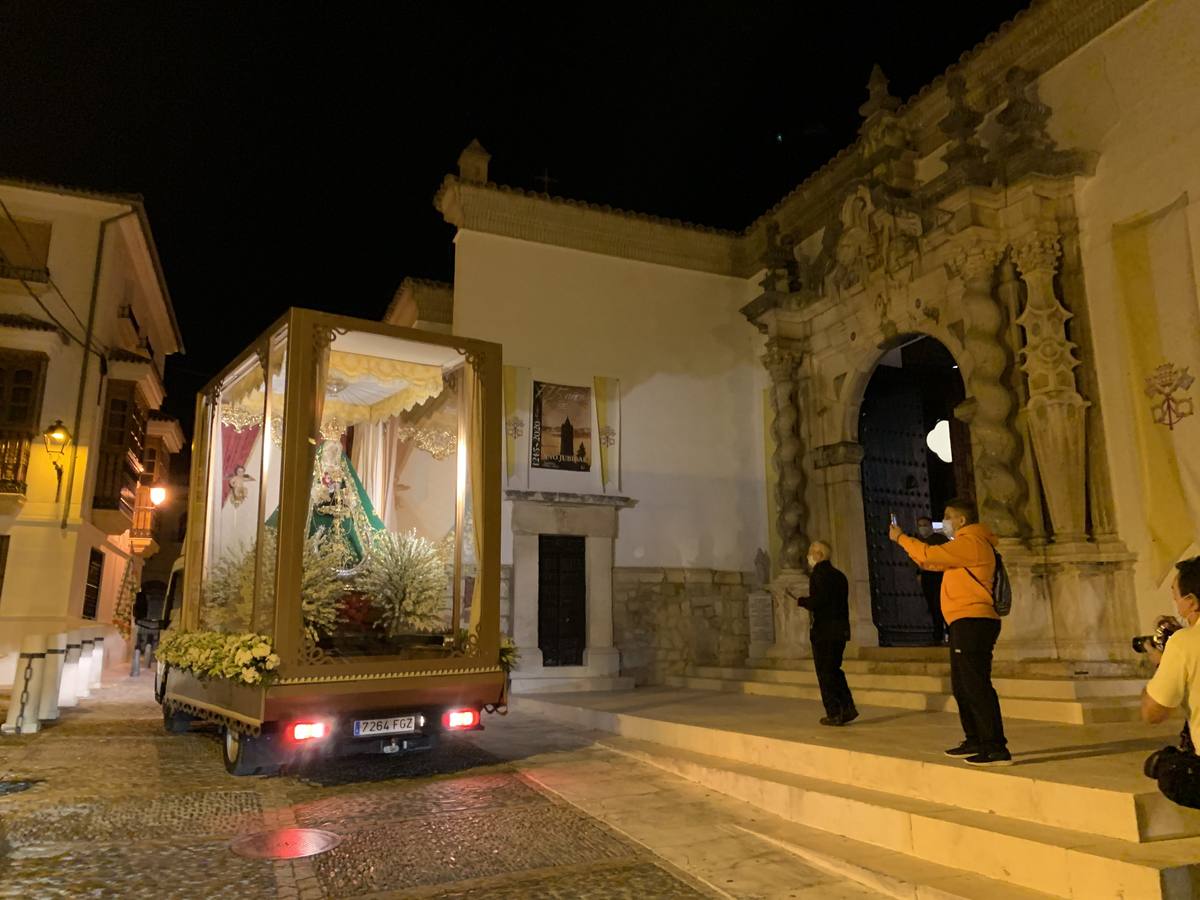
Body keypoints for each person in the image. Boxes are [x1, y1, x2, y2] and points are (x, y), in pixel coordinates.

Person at [890, 498, 1010, 766]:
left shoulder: (972, 543)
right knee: (962, 685)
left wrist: (901, 538)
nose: (943, 521)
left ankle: (995, 746)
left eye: (947, 516)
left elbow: (929, 555)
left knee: (976, 685)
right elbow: (930, 563)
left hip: (974, 620)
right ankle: (975, 739)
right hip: (963, 620)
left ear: (962, 520)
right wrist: (911, 547)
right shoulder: (962, 546)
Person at [1141, 556, 1200, 807]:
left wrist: (1163, 665)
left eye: (1175, 595)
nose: (1175, 604)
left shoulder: (1185, 642)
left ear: (1192, 602)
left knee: (1167, 768)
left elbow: (1153, 713)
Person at [794, 541, 857, 726]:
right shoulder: (839, 576)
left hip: (824, 631)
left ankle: (834, 711)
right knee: (835, 670)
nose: (808, 557)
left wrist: (803, 601)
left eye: (811, 553)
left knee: (825, 672)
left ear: (819, 555)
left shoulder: (818, 575)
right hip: (840, 630)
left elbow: (819, 601)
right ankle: (847, 707)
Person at [915, 516, 949, 643]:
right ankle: (937, 635)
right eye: (920, 525)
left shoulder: (940, 539)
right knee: (933, 607)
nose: (922, 528)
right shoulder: (918, 541)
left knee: (940, 605)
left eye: (925, 524)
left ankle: (949, 633)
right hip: (927, 576)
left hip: (939, 575)